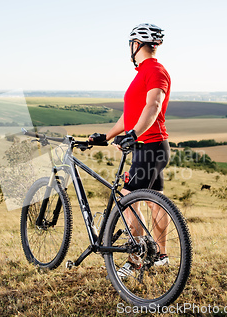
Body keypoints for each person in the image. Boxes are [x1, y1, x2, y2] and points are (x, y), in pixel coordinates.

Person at [89, 23, 171, 278]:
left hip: (150, 146)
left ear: (136, 45)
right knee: (154, 202)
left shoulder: (156, 71)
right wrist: (108, 135)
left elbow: (154, 105)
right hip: (149, 147)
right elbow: (130, 115)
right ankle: (160, 256)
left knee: (127, 201)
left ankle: (137, 261)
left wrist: (135, 134)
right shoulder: (143, 73)